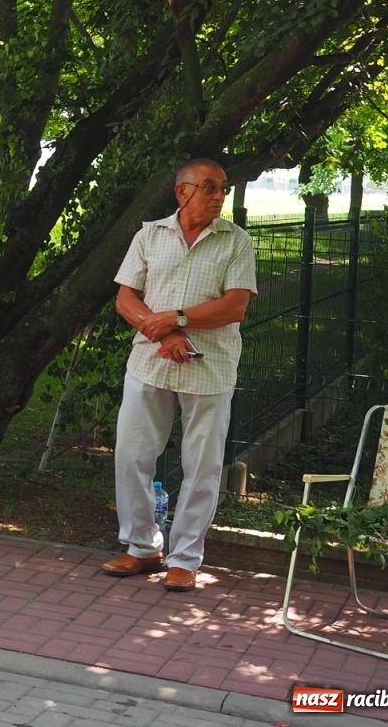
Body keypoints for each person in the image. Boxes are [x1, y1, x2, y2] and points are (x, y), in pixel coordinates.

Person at [104, 158, 257, 592]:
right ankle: (141, 548)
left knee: (202, 467)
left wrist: (178, 320)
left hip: (210, 370)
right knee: (132, 455)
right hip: (150, 361)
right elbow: (126, 298)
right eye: (209, 186)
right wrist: (164, 333)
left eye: (223, 188)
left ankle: (185, 558)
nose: (218, 195)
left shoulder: (235, 241)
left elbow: (235, 307)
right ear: (181, 191)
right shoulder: (149, 234)